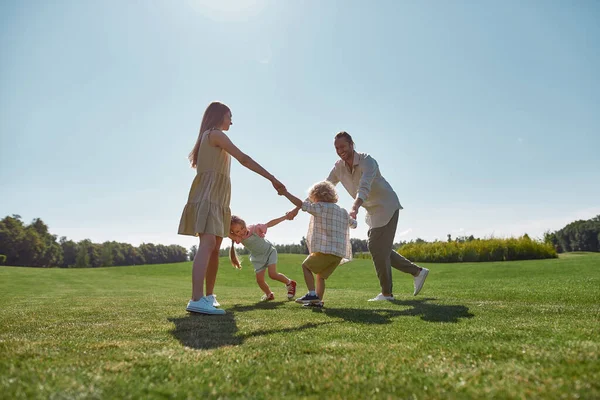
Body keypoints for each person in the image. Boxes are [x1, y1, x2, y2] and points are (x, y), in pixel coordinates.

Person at [178, 101, 285, 315]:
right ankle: (196, 299)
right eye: (229, 116)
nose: (231, 121)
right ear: (219, 116)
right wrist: (271, 178)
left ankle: (208, 296)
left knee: (215, 248)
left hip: (219, 198)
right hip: (210, 196)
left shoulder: (211, 136)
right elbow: (244, 159)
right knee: (207, 244)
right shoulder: (214, 134)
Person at [326, 131, 429, 301]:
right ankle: (417, 272)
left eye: (343, 146)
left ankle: (387, 294)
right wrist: (307, 202)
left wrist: (355, 207)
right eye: (337, 148)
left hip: (386, 206)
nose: (340, 150)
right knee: (380, 249)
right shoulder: (338, 167)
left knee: (375, 246)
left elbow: (364, 187)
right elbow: (326, 186)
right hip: (372, 210)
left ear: (352, 144)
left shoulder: (367, 161)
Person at [282, 181, 357, 308]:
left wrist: (286, 193)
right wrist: (353, 215)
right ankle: (317, 302)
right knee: (320, 276)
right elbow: (354, 224)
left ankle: (312, 294)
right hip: (338, 253)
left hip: (324, 250)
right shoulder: (343, 211)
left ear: (315, 196)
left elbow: (301, 204)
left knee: (306, 267)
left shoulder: (320, 207)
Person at [228, 211, 299, 301]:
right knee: (259, 280)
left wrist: (284, 217)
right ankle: (269, 294)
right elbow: (225, 232)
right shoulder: (239, 238)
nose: (241, 232)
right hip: (258, 258)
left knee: (272, 274)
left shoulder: (255, 229)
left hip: (269, 252)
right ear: (233, 233)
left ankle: (290, 283)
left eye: (242, 228)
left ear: (244, 224)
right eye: (237, 231)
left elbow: (269, 224)